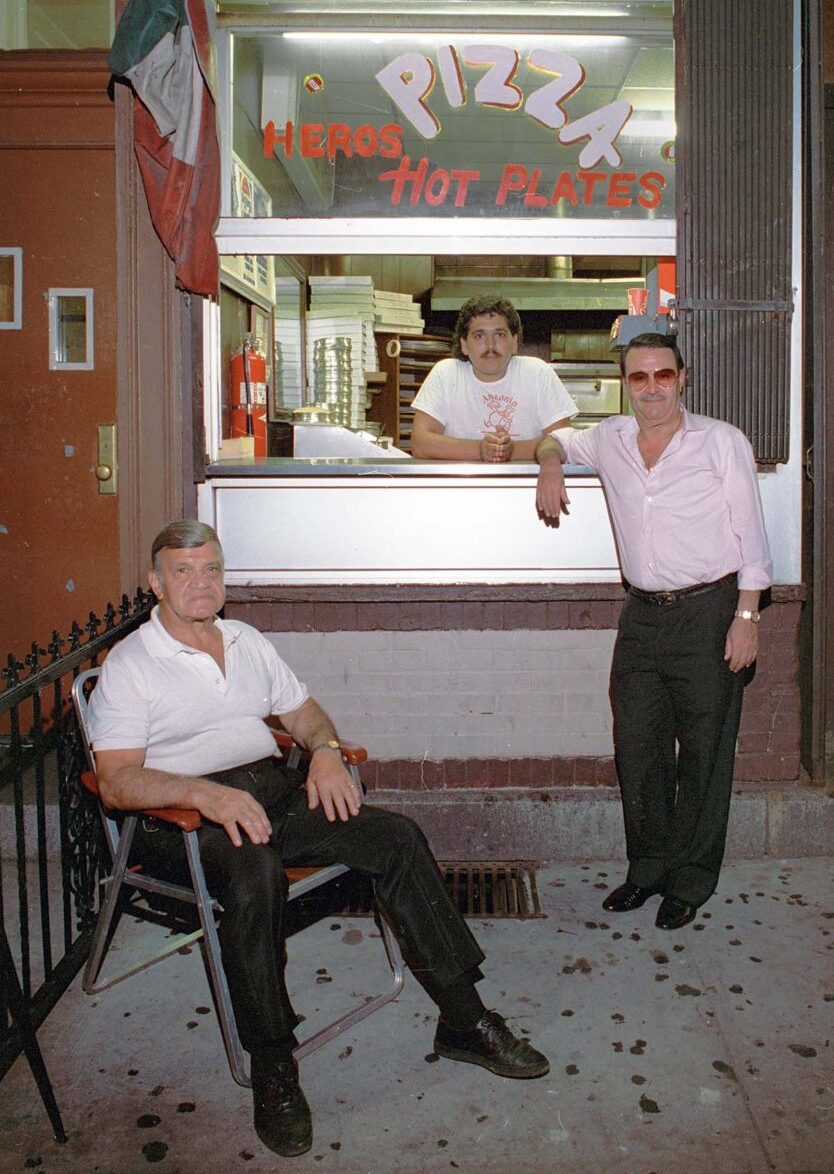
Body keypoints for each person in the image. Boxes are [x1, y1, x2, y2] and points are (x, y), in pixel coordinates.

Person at [86, 520, 549, 1159]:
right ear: (156, 583)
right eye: (184, 571)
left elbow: (302, 713)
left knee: (395, 836)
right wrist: (203, 795)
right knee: (254, 876)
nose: (201, 583)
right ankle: (274, 1065)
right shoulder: (133, 664)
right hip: (181, 818)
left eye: (212, 569)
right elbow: (114, 781)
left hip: (268, 794)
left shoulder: (246, 640)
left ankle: (464, 1019)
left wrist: (326, 750)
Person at [534, 332, 772, 931]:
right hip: (640, 616)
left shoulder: (721, 442)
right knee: (637, 749)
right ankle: (646, 870)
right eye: (638, 378)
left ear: (682, 378)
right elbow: (554, 435)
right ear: (625, 383)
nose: (651, 389)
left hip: (711, 611)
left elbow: (753, 539)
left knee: (704, 755)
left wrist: (747, 618)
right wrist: (550, 464)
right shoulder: (610, 437)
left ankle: (690, 881)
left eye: (662, 375)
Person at [411, 294, 576, 461]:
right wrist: (480, 450)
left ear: (514, 342)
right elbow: (420, 444)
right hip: (460, 485)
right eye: (479, 336)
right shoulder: (446, 373)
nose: (490, 345)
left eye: (500, 335)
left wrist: (512, 451)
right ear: (464, 345)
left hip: (526, 485)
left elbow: (564, 442)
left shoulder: (538, 373)